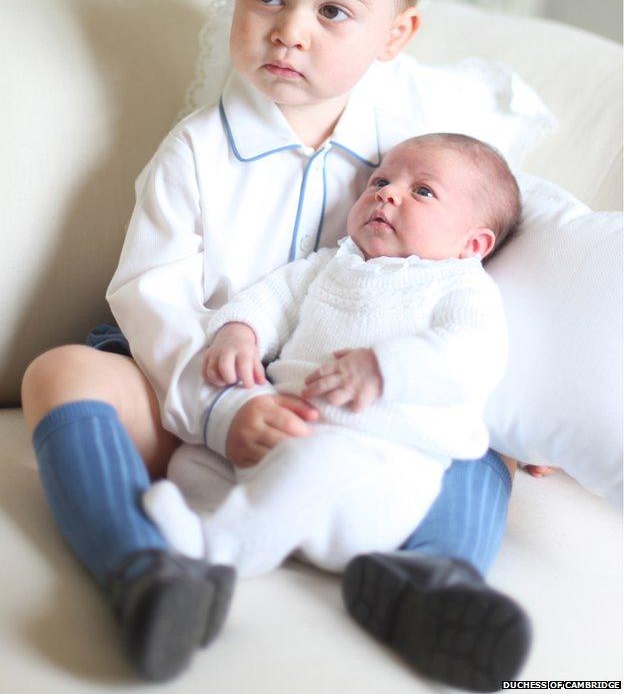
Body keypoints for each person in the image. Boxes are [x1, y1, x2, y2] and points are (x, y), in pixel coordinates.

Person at [21, 0, 531, 689]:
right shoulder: (197, 151)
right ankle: (147, 570)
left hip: (352, 406)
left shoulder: (414, 151)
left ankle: (432, 580)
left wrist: (528, 408)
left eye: (334, 10)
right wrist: (225, 408)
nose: (291, 29)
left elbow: (489, 252)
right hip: (191, 384)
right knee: (63, 373)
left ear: (395, 36)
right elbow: (150, 294)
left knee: (483, 446)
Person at [143, 133, 520, 608]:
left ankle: (218, 551)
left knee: (314, 463)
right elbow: (272, 299)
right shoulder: (329, 264)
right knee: (193, 458)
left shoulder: (460, 287)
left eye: (422, 191)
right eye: (381, 180)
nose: (386, 193)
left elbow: (472, 354)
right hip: (279, 438)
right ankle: (216, 519)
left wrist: (385, 368)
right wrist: (238, 333)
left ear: (473, 244)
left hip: (372, 469)